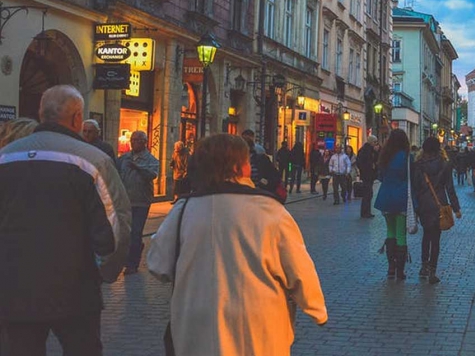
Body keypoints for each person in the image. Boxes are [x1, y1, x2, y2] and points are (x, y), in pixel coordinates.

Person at [146, 134, 326, 355]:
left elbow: (157, 264)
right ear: (239, 167)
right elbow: (298, 269)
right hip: (257, 329)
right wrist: (316, 309)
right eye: (247, 161)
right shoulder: (269, 209)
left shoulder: (183, 210)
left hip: (196, 327)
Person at [0, 85, 131, 355]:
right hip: (75, 288)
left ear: (41, 113)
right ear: (77, 118)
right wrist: (105, 270)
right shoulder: (91, 160)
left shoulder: (5, 158)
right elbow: (114, 225)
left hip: (15, 286)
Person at [412, 137, 462, 284]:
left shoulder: (418, 165)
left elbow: (415, 187)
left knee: (426, 235)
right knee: (436, 239)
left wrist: (415, 207)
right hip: (439, 203)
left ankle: (423, 266)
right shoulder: (444, 164)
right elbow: (450, 188)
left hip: (424, 205)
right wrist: (456, 208)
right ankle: (433, 271)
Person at [116, 130, 159, 275]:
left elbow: (152, 174)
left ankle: (132, 264)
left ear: (144, 142)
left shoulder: (150, 159)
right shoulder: (124, 158)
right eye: (132, 140)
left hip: (141, 201)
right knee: (126, 233)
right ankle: (133, 252)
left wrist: (138, 168)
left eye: (137, 140)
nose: (133, 143)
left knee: (136, 231)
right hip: (126, 201)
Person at [374, 129, 412, 280]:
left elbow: (381, 176)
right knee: (401, 234)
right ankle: (400, 271)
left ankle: (391, 267)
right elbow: (411, 177)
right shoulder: (407, 158)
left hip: (386, 198)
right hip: (401, 198)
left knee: (390, 232)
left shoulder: (385, 156)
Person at [243, 131, 282, 201]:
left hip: (259, 197)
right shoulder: (234, 162)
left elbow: (275, 177)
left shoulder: (261, 159)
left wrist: (265, 184)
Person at [357, 136, 379, 218]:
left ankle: (366, 212)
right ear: (371, 142)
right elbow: (364, 162)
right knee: (368, 194)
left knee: (368, 194)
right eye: (374, 142)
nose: (375, 144)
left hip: (367, 175)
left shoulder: (365, 150)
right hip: (368, 174)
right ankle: (365, 212)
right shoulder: (367, 150)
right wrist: (370, 167)